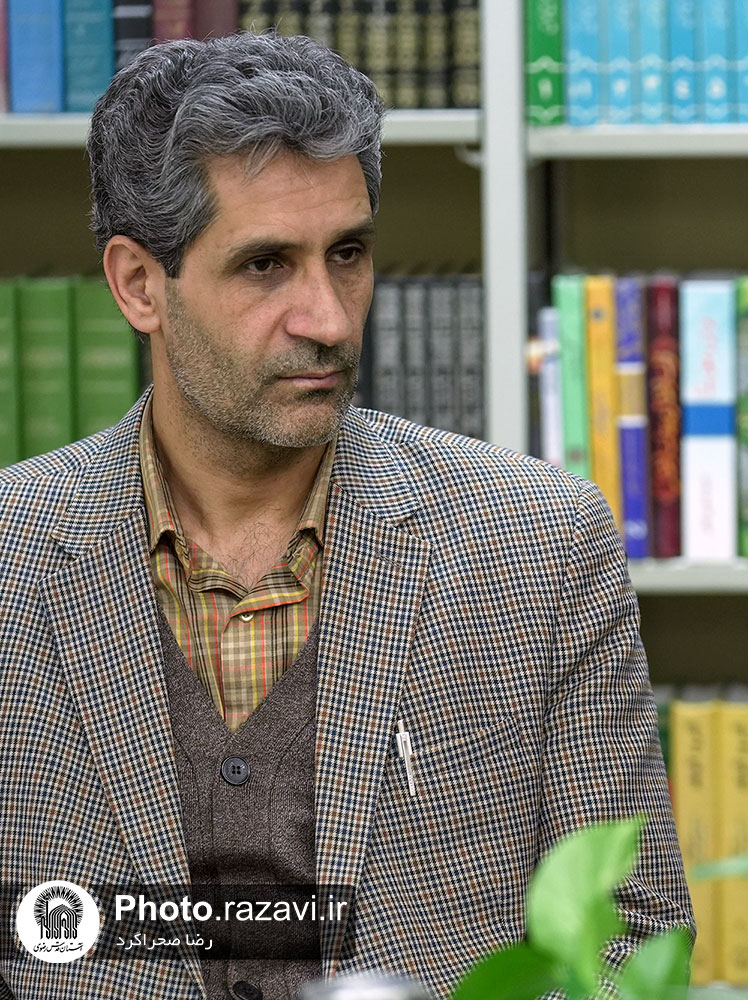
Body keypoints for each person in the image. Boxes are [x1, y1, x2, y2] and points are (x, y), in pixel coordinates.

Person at [0, 33, 690, 1000]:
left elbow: (629, 948)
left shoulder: (539, 544)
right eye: (265, 266)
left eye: (349, 254)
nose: (328, 318)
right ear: (138, 285)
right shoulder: (12, 557)